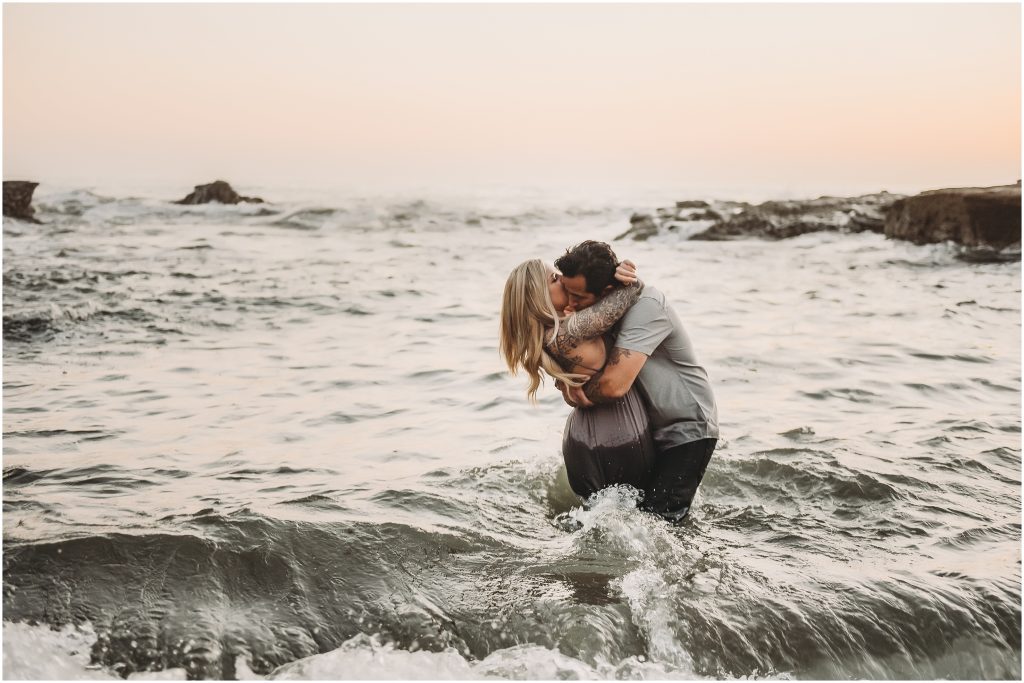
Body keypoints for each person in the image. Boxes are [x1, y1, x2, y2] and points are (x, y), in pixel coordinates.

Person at [554, 240, 718, 522]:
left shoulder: (647, 307)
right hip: (650, 428)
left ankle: (697, 566)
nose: (571, 304)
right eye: (567, 293)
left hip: (687, 429)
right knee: (638, 518)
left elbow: (613, 386)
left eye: (578, 297)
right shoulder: (606, 309)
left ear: (605, 291)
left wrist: (578, 391)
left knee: (662, 523)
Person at [499, 258, 657, 499]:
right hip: (618, 438)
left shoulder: (551, 337)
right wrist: (619, 273)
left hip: (583, 441)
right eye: (554, 278)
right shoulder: (569, 331)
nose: (562, 279)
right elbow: (633, 290)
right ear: (537, 297)